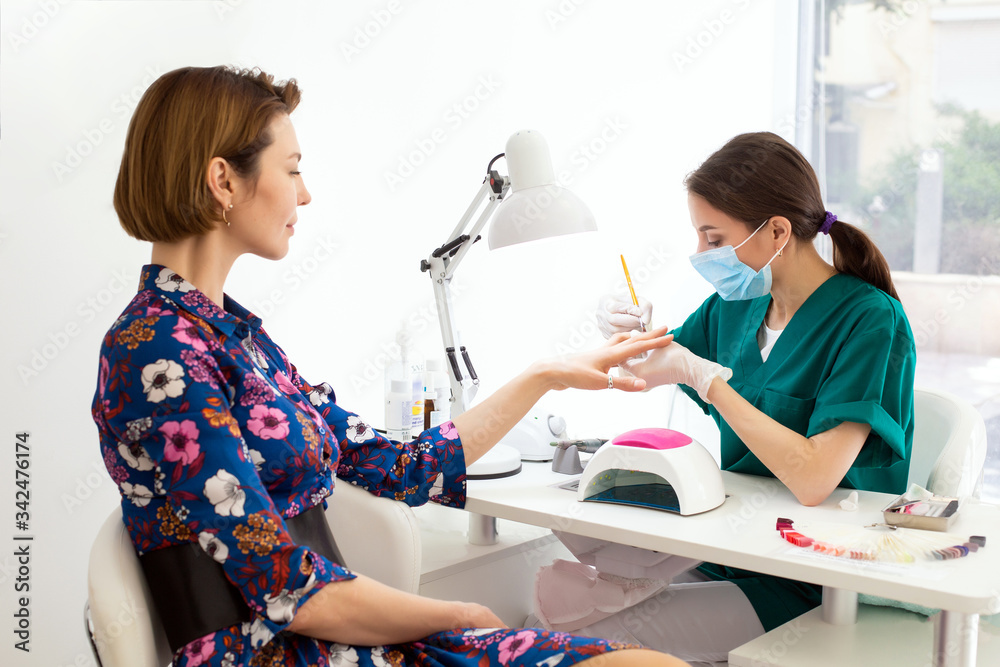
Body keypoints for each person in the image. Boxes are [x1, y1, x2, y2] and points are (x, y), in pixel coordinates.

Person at [91, 65, 690, 667]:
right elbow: (282, 585)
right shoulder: (156, 350)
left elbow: (401, 467)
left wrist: (546, 374)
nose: (304, 194)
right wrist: (455, 614)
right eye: (293, 169)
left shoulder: (242, 342)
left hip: (335, 639)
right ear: (223, 179)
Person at [545, 131, 915, 664]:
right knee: (555, 623)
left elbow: (813, 480)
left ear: (778, 232)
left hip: (811, 578)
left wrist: (709, 381)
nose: (701, 255)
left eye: (713, 239)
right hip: (729, 550)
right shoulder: (735, 309)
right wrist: (628, 334)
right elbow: (648, 371)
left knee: (591, 651)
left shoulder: (868, 320)